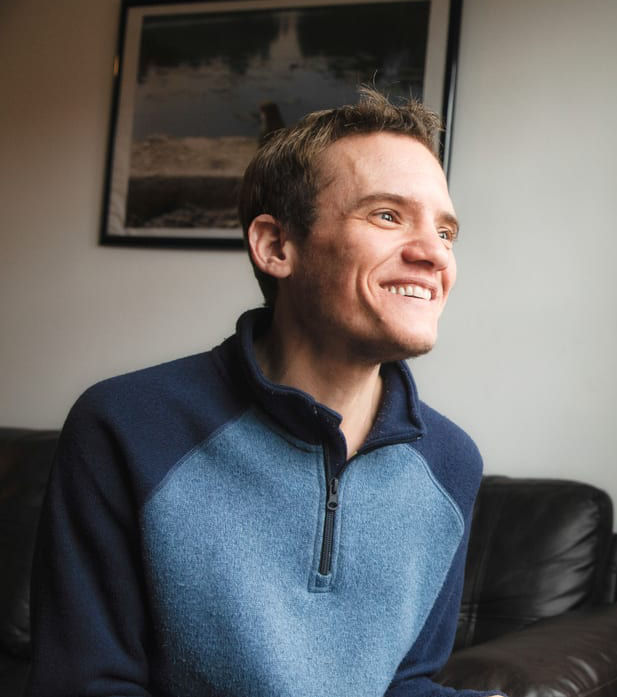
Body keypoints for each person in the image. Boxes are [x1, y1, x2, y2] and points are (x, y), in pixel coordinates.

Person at [26, 89, 502, 697]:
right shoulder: (125, 426)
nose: (434, 254)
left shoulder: (451, 462)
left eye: (446, 231)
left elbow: (404, 684)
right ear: (277, 246)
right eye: (387, 216)